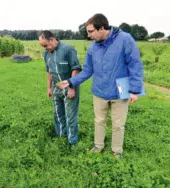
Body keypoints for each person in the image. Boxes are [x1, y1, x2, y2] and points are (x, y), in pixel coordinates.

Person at [56, 14, 144, 158]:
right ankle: (98, 146)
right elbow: (88, 70)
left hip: (121, 88)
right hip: (99, 90)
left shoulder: (125, 40)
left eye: (91, 31)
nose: (89, 35)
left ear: (102, 28)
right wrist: (70, 82)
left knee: (118, 124)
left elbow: (135, 65)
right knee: (99, 121)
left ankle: (117, 150)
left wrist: (134, 90)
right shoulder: (93, 47)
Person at [39, 30, 81, 145]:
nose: (45, 48)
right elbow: (49, 72)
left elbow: (75, 68)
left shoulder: (68, 50)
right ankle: (61, 136)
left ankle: (72, 141)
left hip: (69, 86)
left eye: (46, 45)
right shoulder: (47, 54)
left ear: (52, 40)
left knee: (70, 115)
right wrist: (49, 88)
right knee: (58, 113)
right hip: (56, 86)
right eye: (43, 46)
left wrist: (72, 87)